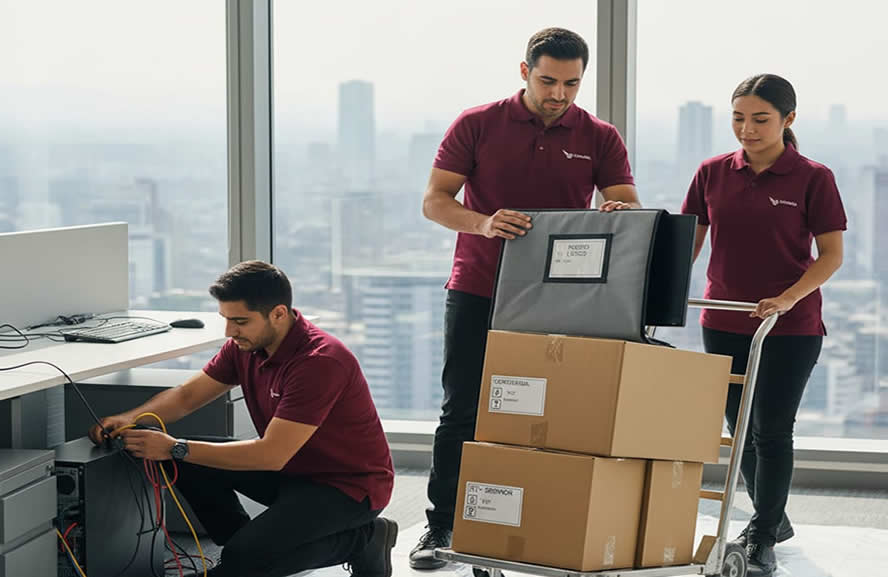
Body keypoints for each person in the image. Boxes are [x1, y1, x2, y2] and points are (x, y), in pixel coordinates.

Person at [412, 27, 641, 570]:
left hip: (562, 298)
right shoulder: (477, 123)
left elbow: (627, 203)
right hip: (478, 288)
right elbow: (435, 201)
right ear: (524, 72)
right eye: (548, 81)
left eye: (571, 83)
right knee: (462, 410)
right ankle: (442, 523)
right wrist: (484, 223)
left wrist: (619, 211)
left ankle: (541, 527)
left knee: (552, 416)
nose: (559, 94)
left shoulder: (599, 135)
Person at [89, 260, 398, 577]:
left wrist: (174, 446)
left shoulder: (320, 362)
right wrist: (128, 418)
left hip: (346, 487)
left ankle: (365, 539)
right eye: (225, 319)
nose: (229, 331)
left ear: (278, 314)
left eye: (240, 321)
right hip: (291, 472)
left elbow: (271, 454)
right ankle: (243, 552)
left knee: (186, 463)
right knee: (190, 469)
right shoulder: (245, 346)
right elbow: (186, 396)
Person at [682, 74, 846, 577]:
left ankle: (762, 535)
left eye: (759, 119)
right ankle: (773, 518)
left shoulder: (813, 177)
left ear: (788, 119)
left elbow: (831, 255)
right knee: (740, 430)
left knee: (772, 431)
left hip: (790, 326)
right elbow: (689, 243)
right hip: (723, 319)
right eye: (738, 118)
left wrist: (787, 299)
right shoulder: (712, 172)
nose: (747, 130)